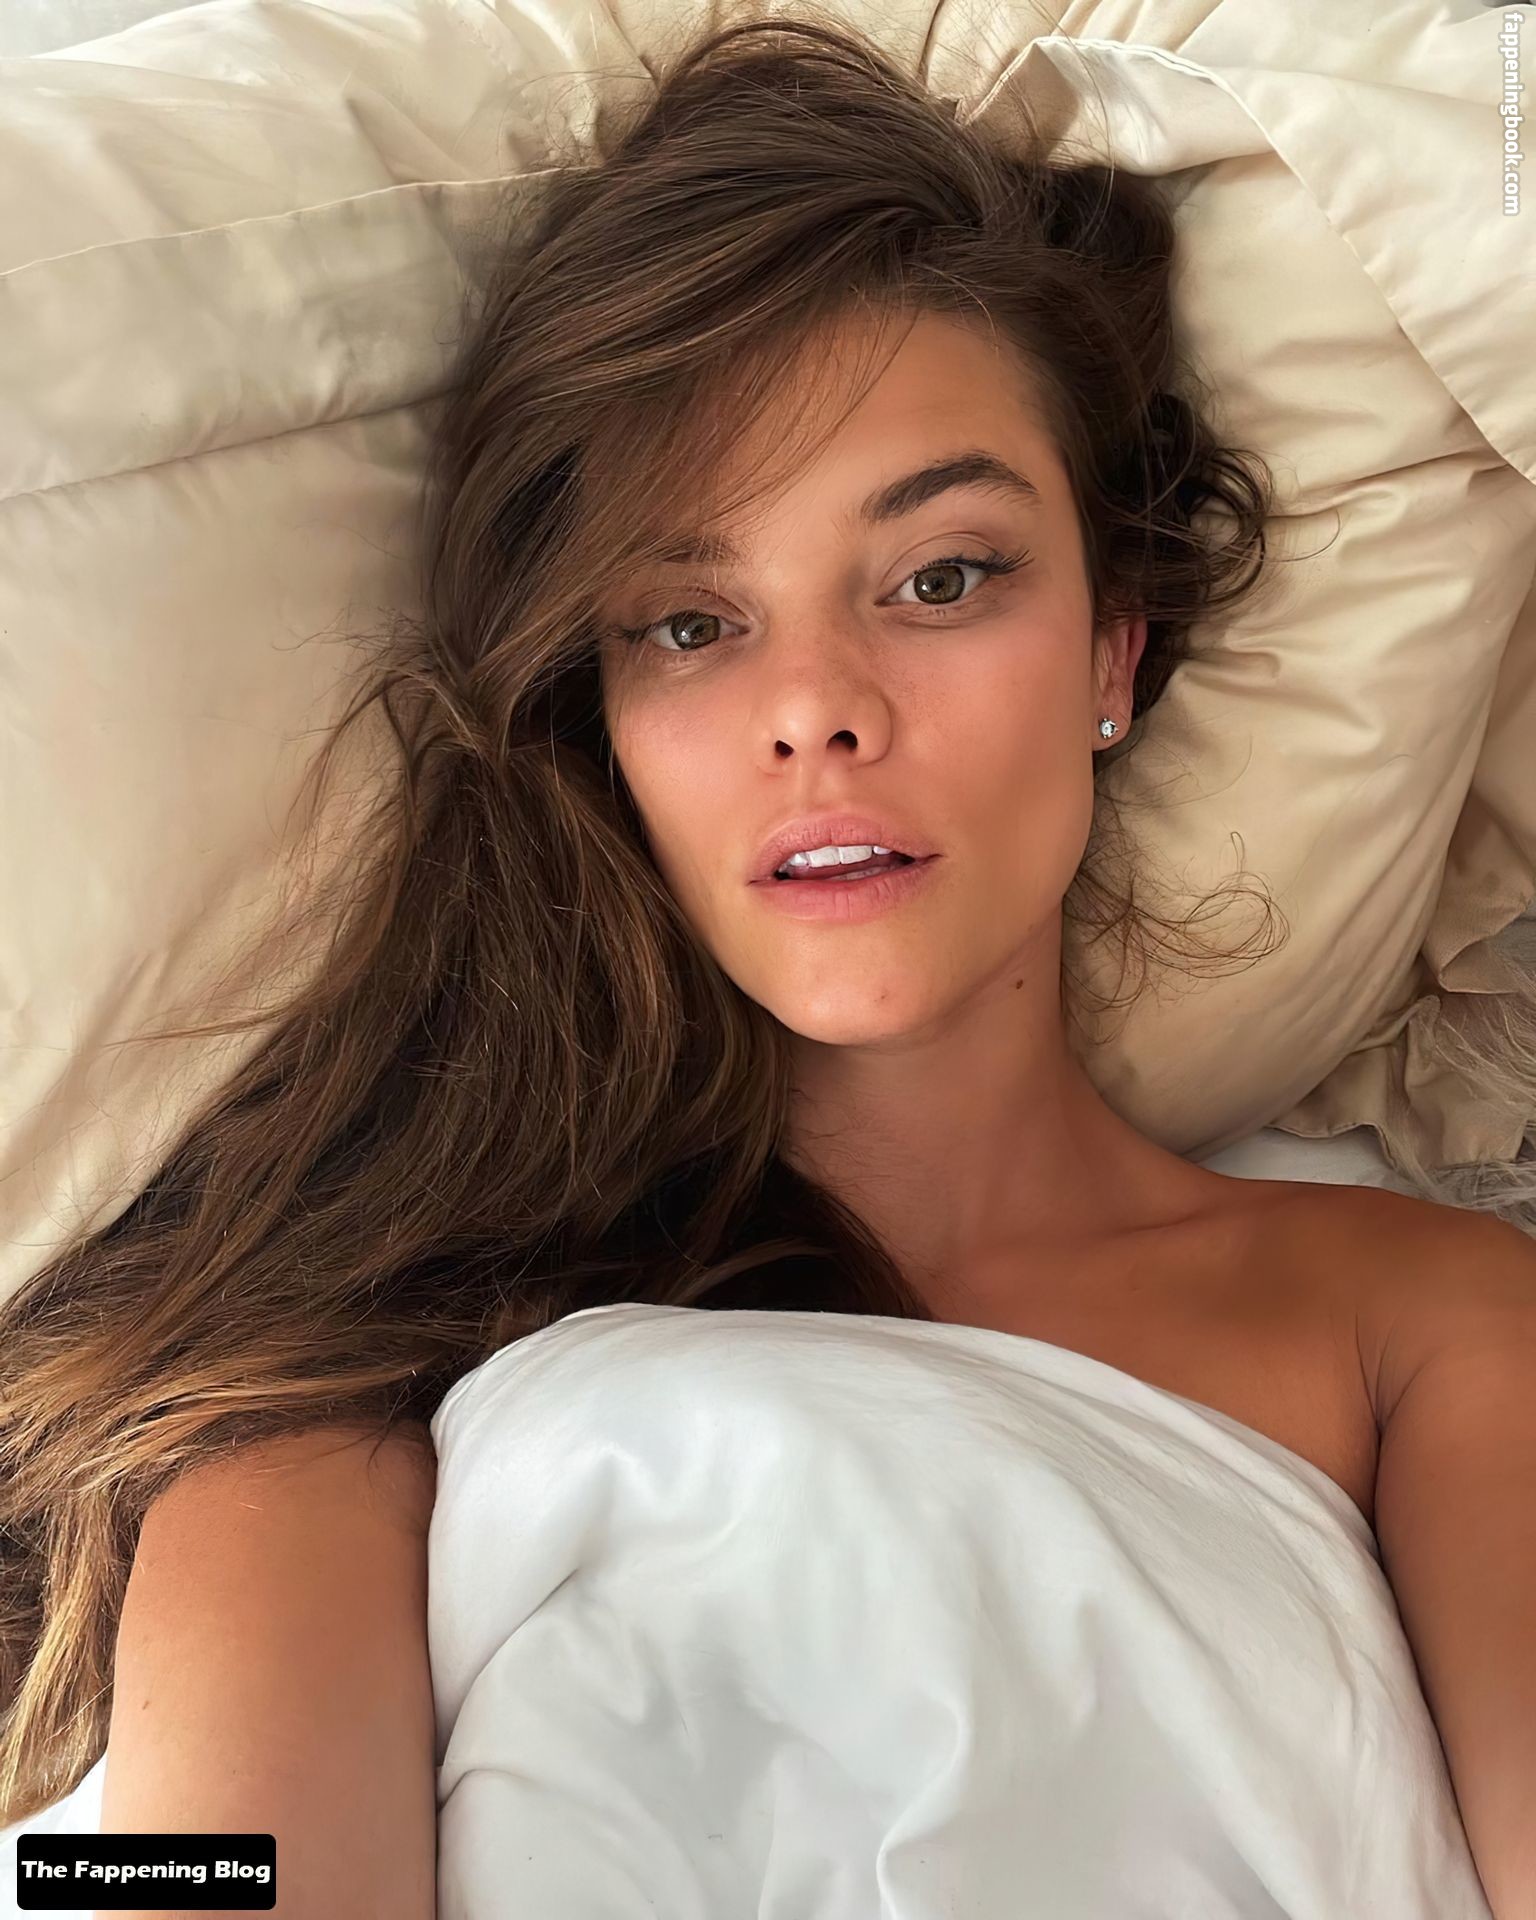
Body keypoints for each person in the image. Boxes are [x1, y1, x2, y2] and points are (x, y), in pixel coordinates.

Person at [2, 13, 1532, 1918]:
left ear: (1113, 655)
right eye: (689, 622)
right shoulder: (336, 1384)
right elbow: (193, 1882)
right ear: (606, 726)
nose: (817, 707)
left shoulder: (1425, 1317)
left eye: (943, 577)